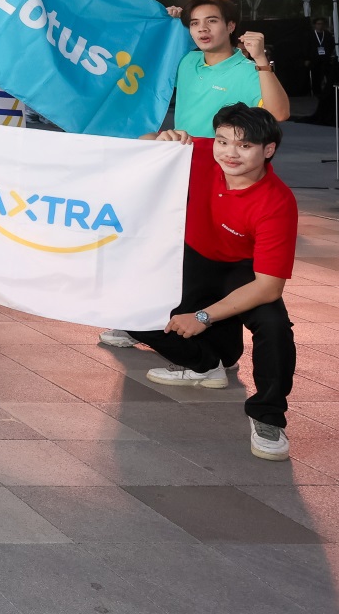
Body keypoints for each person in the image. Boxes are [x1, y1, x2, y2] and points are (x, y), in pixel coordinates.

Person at [104, 105, 298, 461]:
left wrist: (202, 317)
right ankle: (207, 363)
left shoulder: (277, 201)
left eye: (244, 146)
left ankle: (268, 416)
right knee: (131, 311)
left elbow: (268, 287)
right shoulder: (204, 153)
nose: (230, 153)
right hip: (194, 256)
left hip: (243, 269)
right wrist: (160, 140)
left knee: (274, 326)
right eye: (223, 141)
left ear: (268, 149)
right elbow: (142, 145)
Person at [171, 0, 290, 136]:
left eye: (212, 21)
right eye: (194, 23)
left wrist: (260, 59)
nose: (202, 28)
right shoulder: (186, 60)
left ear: (230, 26)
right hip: (180, 149)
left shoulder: (249, 71)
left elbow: (279, 114)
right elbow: (150, 75)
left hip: (220, 150)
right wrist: (161, 21)